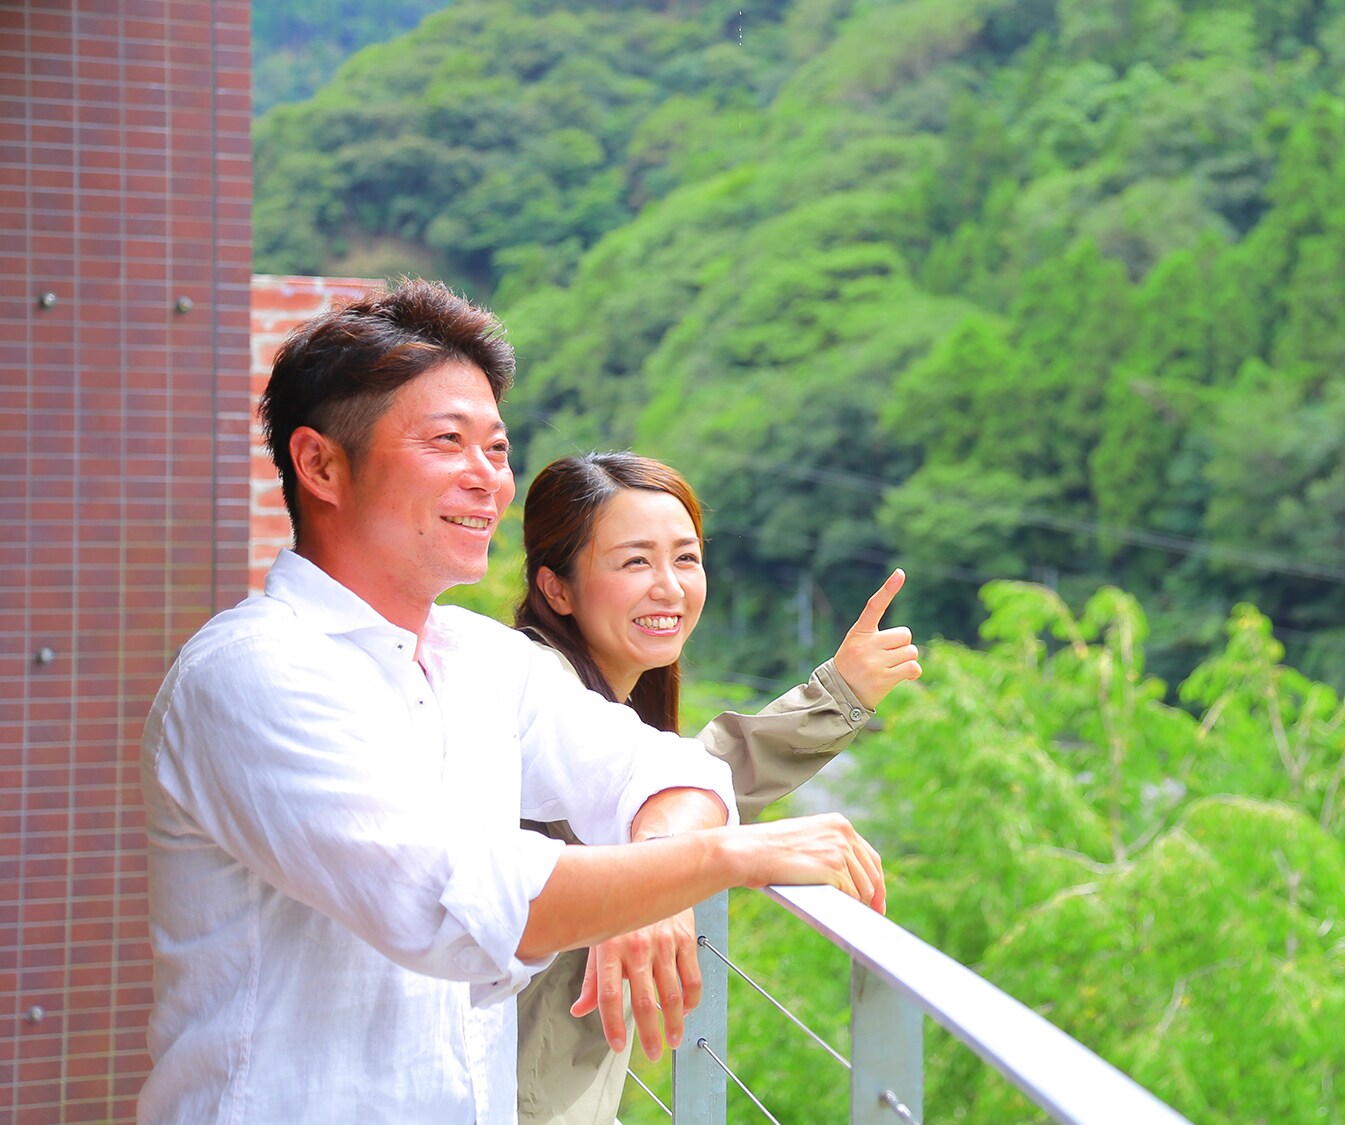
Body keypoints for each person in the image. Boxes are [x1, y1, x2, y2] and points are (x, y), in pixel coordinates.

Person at [138, 280, 886, 1124]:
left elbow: (667, 769)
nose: (487, 481)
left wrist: (655, 879)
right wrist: (722, 860)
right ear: (320, 465)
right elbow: (451, 905)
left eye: (496, 449)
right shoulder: (253, 673)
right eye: (446, 441)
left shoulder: (482, 658)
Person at [510, 452, 922, 1124]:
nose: (669, 586)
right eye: (634, 561)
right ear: (558, 587)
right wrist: (654, 875)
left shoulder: (603, 700)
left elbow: (691, 778)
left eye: (686, 558)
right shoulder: (533, 686)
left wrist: (838, 694)